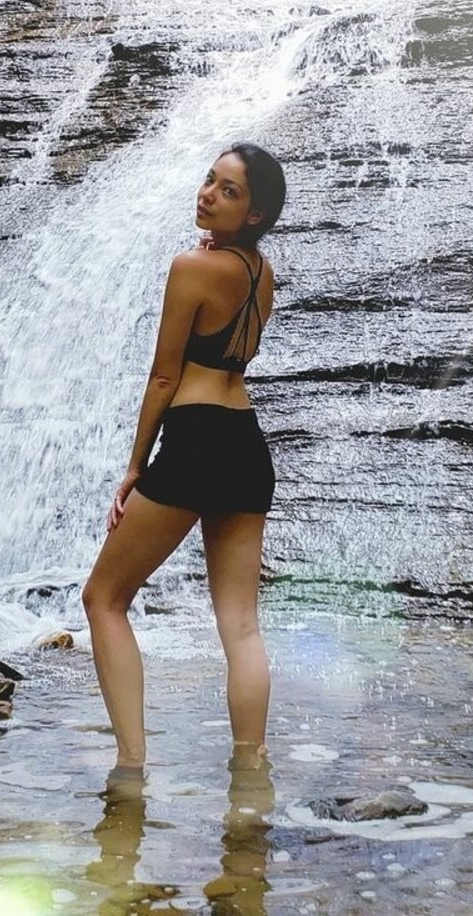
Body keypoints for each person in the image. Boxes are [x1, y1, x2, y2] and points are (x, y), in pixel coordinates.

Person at [81, 141, 287, 776]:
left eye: (230, 191)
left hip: (196, 439)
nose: (209, 194)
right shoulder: (262, 273)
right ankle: (251, 773)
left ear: (254, 213)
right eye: (210, 180)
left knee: (104, 599)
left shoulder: (192, 267)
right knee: (241, 627)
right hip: (246, 443)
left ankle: (131, 766)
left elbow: (165, 377)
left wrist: (135, 467)